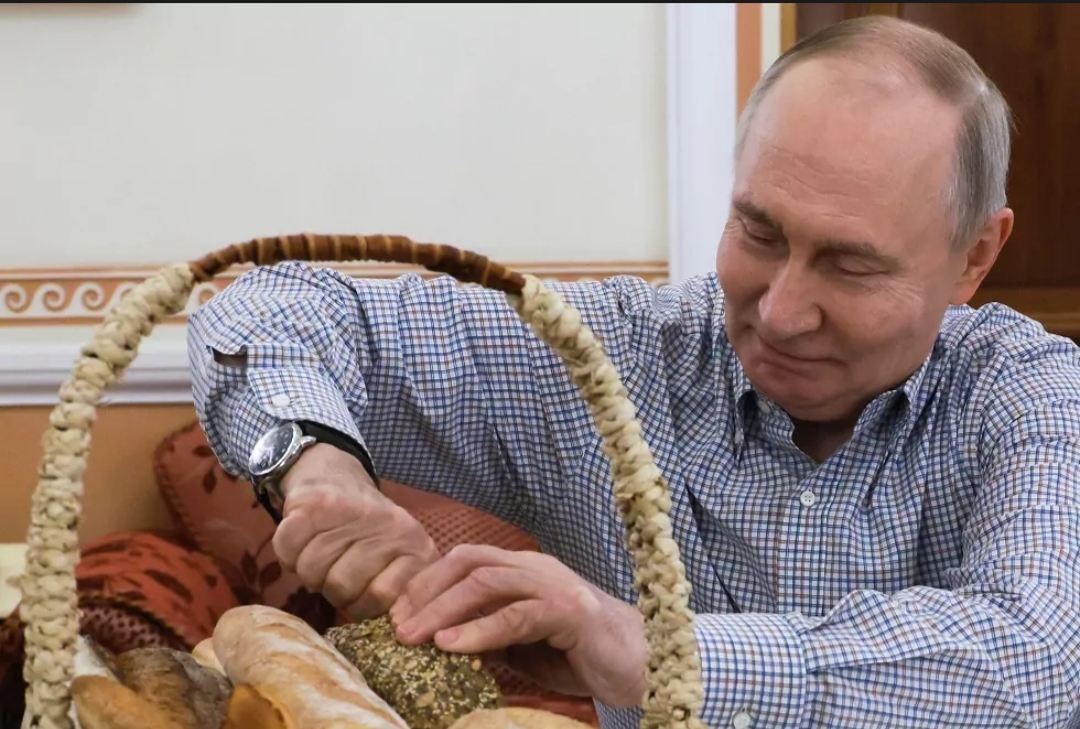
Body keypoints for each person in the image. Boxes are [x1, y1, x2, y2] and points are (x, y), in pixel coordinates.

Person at [187, 15, 1080, 729]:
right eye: (759, 232)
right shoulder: (613, 357)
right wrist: (320, 463)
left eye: (850, 265)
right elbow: (265, 309)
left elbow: (1036, 659)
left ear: (974, 256)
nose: (780, 312)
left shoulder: (1032, 394)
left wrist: (653, 651)